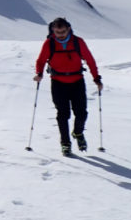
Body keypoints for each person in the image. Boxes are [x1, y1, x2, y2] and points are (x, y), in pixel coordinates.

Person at [33, 17, 103, 156]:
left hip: (77, 81)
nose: (60, 35)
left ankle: (78, 133)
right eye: (57, 32)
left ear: (68, 29)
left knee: (82, 113)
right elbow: (40, 60)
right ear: (53, 30)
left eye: (63, 32)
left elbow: (89, 59)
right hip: (58, 82)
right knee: (63, 114)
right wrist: (39, 73)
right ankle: (65, 143)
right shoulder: (49, 43)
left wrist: (96, 78)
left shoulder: (78, 42)